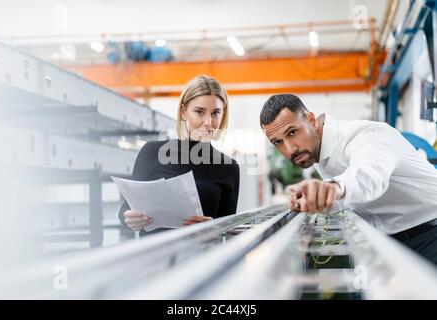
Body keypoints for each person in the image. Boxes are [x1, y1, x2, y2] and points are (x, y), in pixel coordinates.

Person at [259, 93, 437, 265]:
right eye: (278, 142)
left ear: (311, 120)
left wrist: (334, 188)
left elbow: (369, 175)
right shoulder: (319, 155)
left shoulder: (362, 134)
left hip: (431, 233)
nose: (289, 149)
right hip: (396, 240)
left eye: (292, 132)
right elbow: (355, 200)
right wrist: (313, 200)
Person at [118, 75, 239, 237]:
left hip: (204, 257)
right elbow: (126, 209)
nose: (209, 122)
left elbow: (229, 231)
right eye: (199, 112)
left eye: (216, 113)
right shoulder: (152, 153)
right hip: (154, 256)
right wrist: (130, 218)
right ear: (183, 112)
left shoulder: (228, 167)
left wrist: (214, 227)